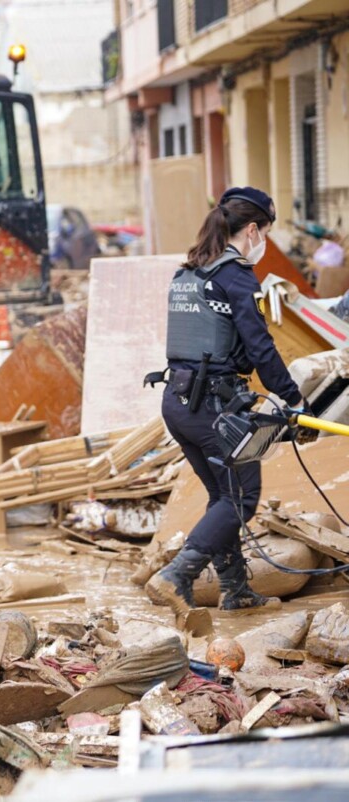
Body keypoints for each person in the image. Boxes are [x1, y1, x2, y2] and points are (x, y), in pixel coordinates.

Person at [146, 187, 304, 616]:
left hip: (179, 405)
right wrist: (292, 398)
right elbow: (260, 346)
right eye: (265, 233)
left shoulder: (189, 272)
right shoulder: (234, 274)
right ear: (252, 230)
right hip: (213, 409)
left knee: (223, 496)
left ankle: (235, 590)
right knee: (241, 499)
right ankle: (177, 575)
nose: (264, 243)